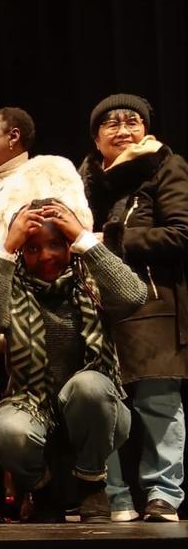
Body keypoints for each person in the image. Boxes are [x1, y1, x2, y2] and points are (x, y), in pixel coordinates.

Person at [0, 198, 145, 522]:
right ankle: (41, 490)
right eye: (33, 248)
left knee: (89, 386)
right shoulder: (13, 285)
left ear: (69, 245)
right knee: (8, 431)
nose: (46, 256)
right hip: (31, 404)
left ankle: (92, 484)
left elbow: (133, 296)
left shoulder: (92, 281)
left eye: (56, 244)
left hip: (97, 411)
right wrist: (7, 248)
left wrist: (84, 237)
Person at [80, 93, 188, 523]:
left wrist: (110, 242)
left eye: (133, 121)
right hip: (95, 305)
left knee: (158, 402)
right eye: (112, 123)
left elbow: (180, 235)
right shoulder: (85, 177)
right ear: (96, 136)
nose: (124, 130)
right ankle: (115, 496)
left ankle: (164, 495)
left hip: (151, 300)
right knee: (102, 403)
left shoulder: (166, 166)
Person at [0, 107, 91, 275]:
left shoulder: (51, 170)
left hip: (35, 293)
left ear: (13, 136)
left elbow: (78, 230)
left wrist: (8, 260)